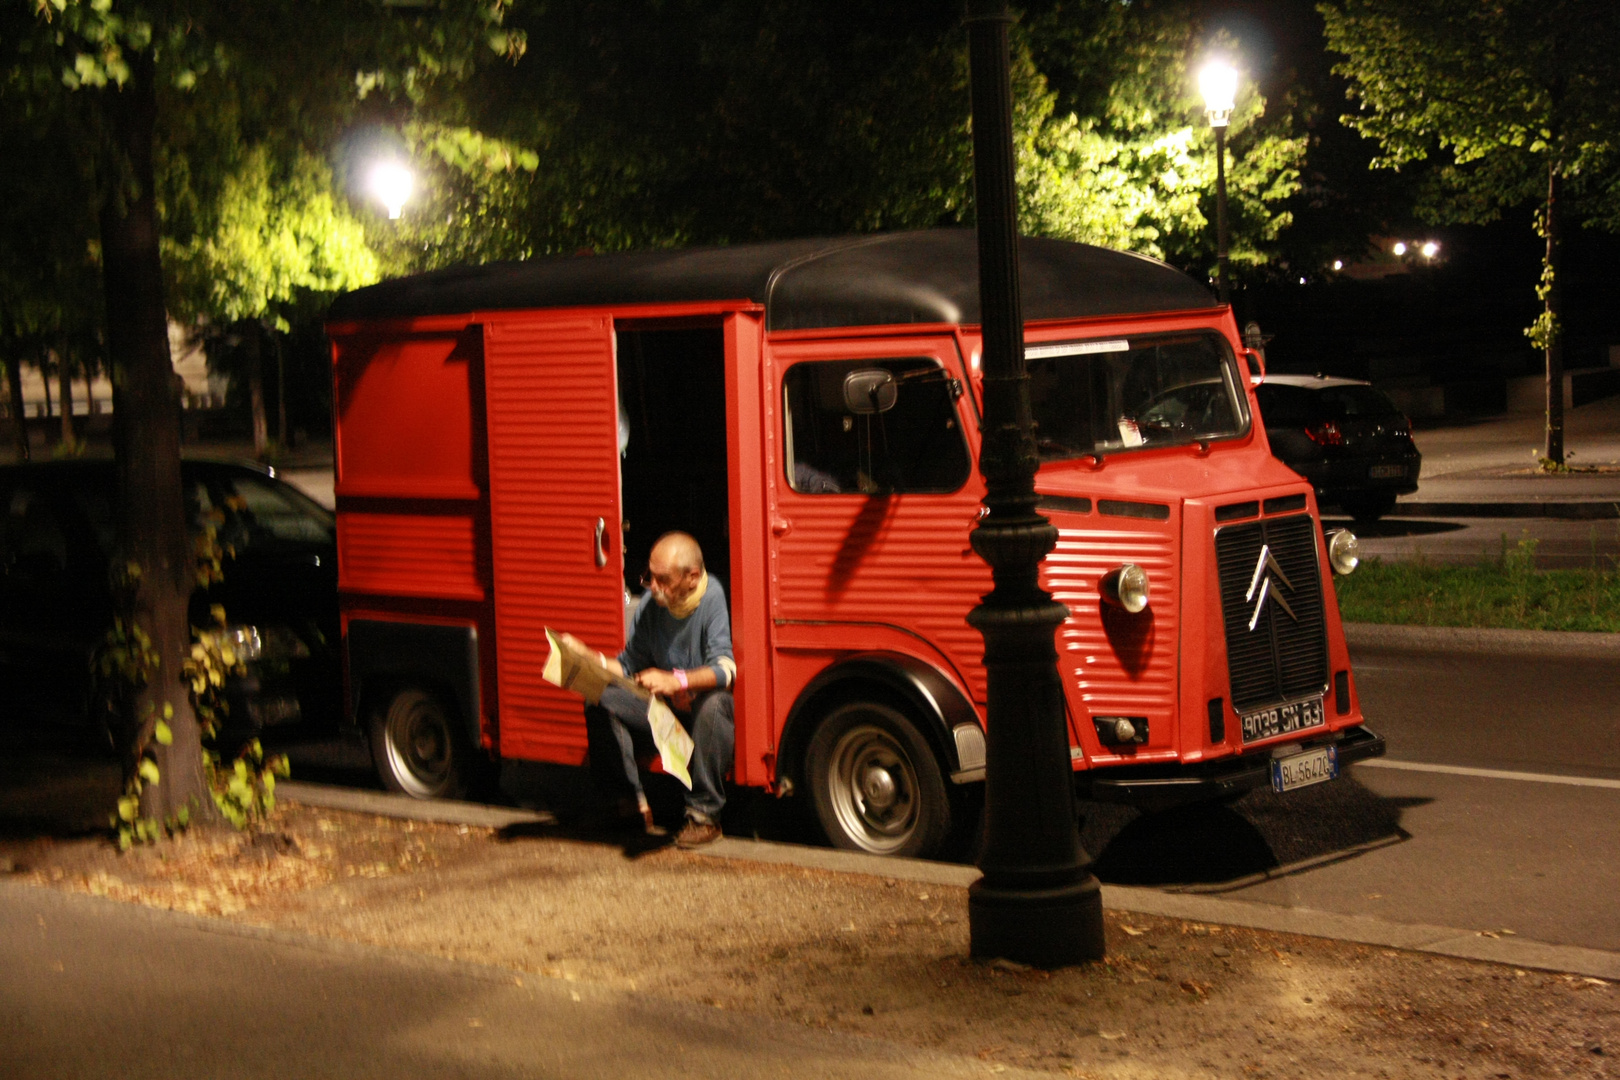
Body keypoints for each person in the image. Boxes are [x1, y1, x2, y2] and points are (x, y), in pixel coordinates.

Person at [560, 531, 735, 848]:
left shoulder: (713, 598)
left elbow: (726, 670)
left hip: (701, 719)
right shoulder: (652, 607)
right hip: (666, 717)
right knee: (601, 697)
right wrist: (587, 657)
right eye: (649, 577)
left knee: (715, 704)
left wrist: (676, 679)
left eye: (663, 579)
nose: (653, 587)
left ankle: (704, 817)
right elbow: (627, 665)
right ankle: (627, 805)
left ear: (692, 578)